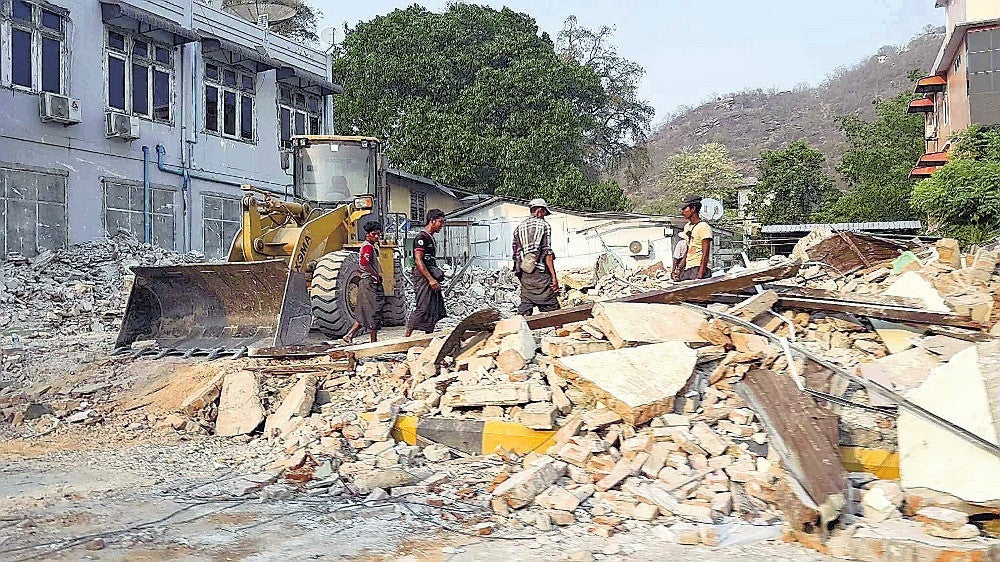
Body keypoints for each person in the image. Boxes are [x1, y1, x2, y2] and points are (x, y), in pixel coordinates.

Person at [512, 198, 560, 316]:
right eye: (544, 213)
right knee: (552, 306)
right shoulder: (544, 226)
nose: (544, 216)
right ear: (539, 211)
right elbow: (547, 253)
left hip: (525, 273)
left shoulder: (519, 228)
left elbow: (516, 253)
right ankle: (559, 331)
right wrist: (554, 278)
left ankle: (521, 331)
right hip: (540, 274)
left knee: (526, 304)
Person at [405, 209, 447, 336]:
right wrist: (431, 279)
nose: (442, 225)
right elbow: (418, 260)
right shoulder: (421, 237)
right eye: (440, 222)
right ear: (432, 221)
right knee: (423, 307)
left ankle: (428, 336)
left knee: (434, 307)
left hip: (430, 274)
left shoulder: (431, 238)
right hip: (423, 276)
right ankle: (406, 336)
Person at [343, 221, 385, 344]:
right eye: (374, 234)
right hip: (369, 283)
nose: (376, 237)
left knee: (363, 312)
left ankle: (349, 335)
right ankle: (374, 342)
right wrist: (375, 275)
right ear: (368, 234)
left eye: (378, 234)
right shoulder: (367, 247)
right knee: (373, 312)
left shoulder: (370, 246)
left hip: (365, 282)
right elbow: (365, 263)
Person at [678, 195, 713, 280]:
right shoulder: (687, 227)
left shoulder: (703, 227)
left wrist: (700, 274)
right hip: (689, 268)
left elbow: (705, 253)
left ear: (693, 209)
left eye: (684, 209)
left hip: (698, 268)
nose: (682, 212)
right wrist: (679, 268)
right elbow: (688, 250)